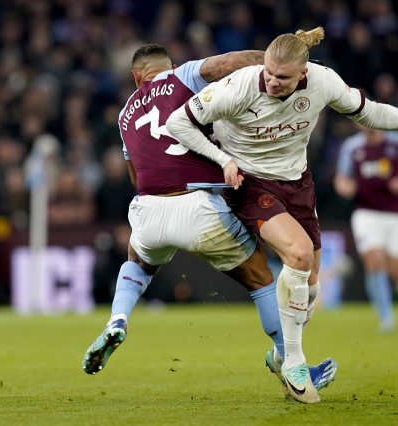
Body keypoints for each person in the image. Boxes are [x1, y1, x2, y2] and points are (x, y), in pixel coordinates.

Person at [166, 27, 398, 402]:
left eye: (282, 77)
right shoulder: (238, 86)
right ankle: (295, 362)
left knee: (311, 284)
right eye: (268, 72)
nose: (271, 81)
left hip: (297, 183)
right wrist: (222, 159)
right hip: (250, 182)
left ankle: (279, 356)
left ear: (303, 73)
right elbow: (179, 121)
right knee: (299, 254)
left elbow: (367, 113)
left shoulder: (323, 82)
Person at [82, 44, 336, 404]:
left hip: (148, 208)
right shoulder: (182, 76)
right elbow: (232, 63)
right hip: (198, 206)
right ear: (168, 67)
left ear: (136, 77)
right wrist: (281, 61)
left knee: (138, 261)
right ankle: (292, 363)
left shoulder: (125, 114)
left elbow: (136, 176)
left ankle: (117, 320)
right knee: (261, 277)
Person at [334, 126, 398, 333]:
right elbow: (341, 178)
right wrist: (345, 187)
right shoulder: (352, 147)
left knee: (396, 272)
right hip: (366, 213)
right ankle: (386, 318)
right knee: (374, 261)